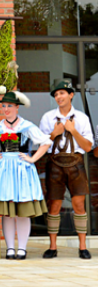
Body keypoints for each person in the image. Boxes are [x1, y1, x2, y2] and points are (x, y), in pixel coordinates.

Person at [0, 91, 51, 261]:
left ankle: (21, 248)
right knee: (7, 212)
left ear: (16, 107)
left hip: (22, 170)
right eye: (4, 106)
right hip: (4, 170)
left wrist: (32, 159)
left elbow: (46, 142)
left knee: (22, 211)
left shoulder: (27, 126)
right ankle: (10, 248)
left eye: (9, 106)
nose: (6, 109)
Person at [39, 80, 95, 259]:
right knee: (54, 205)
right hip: (55, 163)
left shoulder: (82, 118)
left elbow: (87, 147)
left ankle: (83, 246)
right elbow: (41, 145)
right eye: (56, 95)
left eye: (62, 93)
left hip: (76, 163)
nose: (58, 97)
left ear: (71, 95)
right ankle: (53, 247)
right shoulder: (48, 117)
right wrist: (53, 134)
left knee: (79, 205)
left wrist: (73, 130)